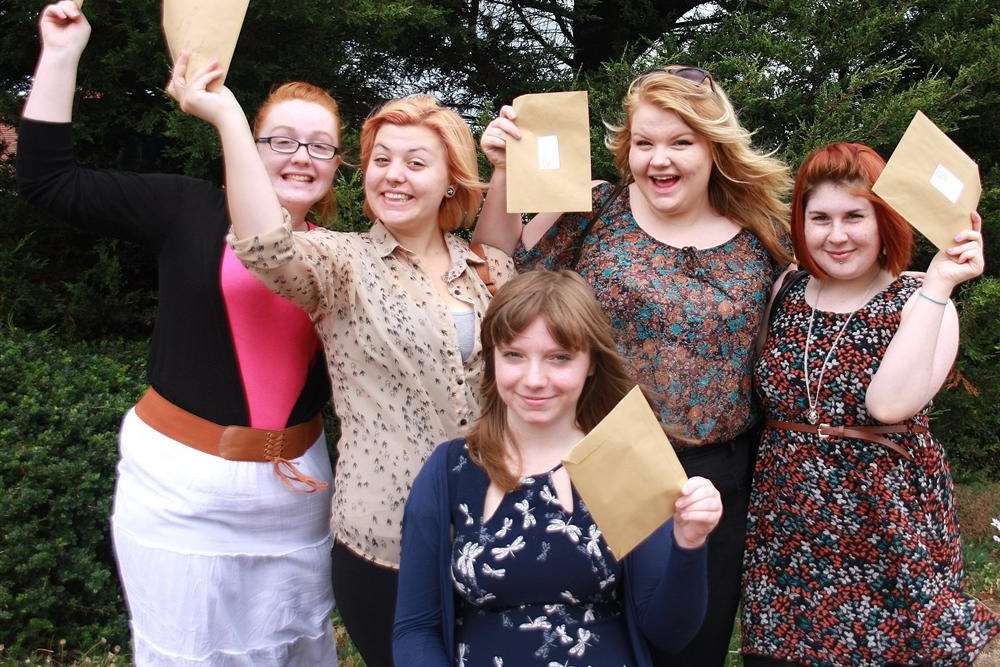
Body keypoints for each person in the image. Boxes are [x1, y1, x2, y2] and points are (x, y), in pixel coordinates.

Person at [17, 3, 341, 664]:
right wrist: (60, 54)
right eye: (281, 139)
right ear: (249, 144)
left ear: (337, 163)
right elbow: (50, 182)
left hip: (299, 502)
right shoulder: (186, 207)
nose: (300, 157)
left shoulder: (346, 256)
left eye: (320, 145)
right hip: (182, 497)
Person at [167, 59, 517, 665]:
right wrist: (226, 116)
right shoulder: (342, 263)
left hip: (492, 533)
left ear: (451, 183)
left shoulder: (488, 267)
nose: (392, 176)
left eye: (414, 162)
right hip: (385, 545)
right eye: (380, 160)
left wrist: (506, 168)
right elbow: (265, 246)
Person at [473, 66, 791, 664]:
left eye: (680, 142)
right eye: (644, 143)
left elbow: (827, 296)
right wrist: (503, 173)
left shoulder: (764, 236)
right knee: (592, 639)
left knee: (690, 639)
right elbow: (498, 266)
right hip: (597, 460)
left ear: (714, 147)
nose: (659, 160)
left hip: (714, 474)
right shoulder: (596, 209)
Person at [742, 142, 999, 666]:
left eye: (854, 216)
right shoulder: (786, 289)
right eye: (821, 218)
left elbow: (889, 404)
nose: (836, 236)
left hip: (885, 531)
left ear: (884, 219)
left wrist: (941, 282)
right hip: (788, 533)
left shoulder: (922, 299)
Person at [392, 269, 722, 666]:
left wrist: (688, 543)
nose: (534, 379)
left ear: (591, 364)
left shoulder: (623, 460)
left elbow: (669, 633)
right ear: (492, 359)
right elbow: (415, 630)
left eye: (559, 358)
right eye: (514, 355)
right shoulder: (451, 470)